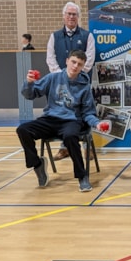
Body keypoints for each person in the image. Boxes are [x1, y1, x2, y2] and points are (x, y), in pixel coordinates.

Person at [16, 49, 108, 192]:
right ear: (67, 61)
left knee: (71, 136)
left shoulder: (84, 86)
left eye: (79, 64)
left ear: (83, 67)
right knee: (22, 130)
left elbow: (88, 113)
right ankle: (38, 165)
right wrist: (29, 83)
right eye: (73, 62)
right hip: (50, 119)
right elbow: (30, 95)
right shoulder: (53, 78)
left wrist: (97, 123)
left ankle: (82, 176)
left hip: (71, 121)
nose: (75, 66)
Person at [46, 2, 96, 161]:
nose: (71, 17)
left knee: (84, 112)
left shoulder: (87, 36)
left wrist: (76, 74)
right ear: (64, 16)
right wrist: (61, 76)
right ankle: (64, 147)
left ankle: (88, 147)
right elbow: (50, 58)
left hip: (80, 83)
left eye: (74, 14)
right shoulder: (54, 36)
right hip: (59, 83)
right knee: (62, 112)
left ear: (78, 17)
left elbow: (89, 59)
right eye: (69, 14)